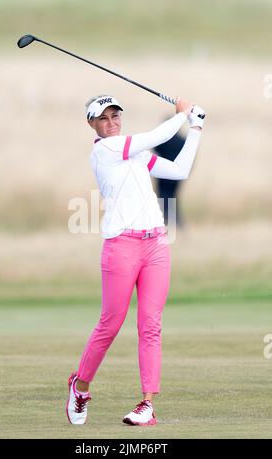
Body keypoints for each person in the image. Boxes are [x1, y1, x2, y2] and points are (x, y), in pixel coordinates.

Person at [66, 94, 205, 426]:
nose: (111, 122)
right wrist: (183, 115)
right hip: (121, 246)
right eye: (104, 118)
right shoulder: (106, 150)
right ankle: (80, 386)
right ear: (92, 125)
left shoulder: (138, 154)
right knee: (110, 324)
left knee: (150, 325)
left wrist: (196, 128)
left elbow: (180, 169)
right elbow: (155, 137)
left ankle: (147, 404)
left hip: (155, 242)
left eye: (116, 116)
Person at [153, 131, 186, 227]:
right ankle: (176, 223)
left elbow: (155, 152)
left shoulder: (162, 140)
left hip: (162, 176)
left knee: (162, 198)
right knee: (174, 198)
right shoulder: (182, 140)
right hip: (177, 177)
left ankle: (164, 222)